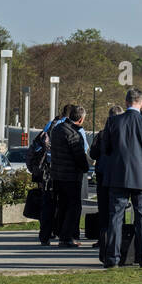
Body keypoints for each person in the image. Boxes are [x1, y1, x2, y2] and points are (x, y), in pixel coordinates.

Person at [102, 89, 142, 268]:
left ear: (126, 102)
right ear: (141, 103)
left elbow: (106, 149)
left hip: (118, 175)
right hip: (141, 176)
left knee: (116, 218)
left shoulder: (113, 121)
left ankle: (112, 258)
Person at [50, 104, 89, 248]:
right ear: (80, 119)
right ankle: (67, 237)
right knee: (73, 207)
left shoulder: (57, 129)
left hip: (57, 174)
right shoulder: (73, 133)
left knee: (62, 205)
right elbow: (79, 155)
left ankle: (61, 234)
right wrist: (86, 167)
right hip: (71, 176)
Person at [89, 104, 124, 261]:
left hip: (103, 173)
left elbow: (93, 153)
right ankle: (117, 239)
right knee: (117, 209)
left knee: (103, 208)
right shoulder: (122, 133)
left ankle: (103, 239)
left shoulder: (102, 134)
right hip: (117, 174)